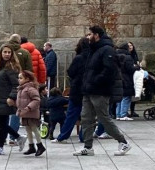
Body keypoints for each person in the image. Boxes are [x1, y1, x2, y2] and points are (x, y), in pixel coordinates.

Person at [74, 26, 131, 157]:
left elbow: (109, 70)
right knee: (86, 118)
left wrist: (95, 80)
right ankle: (88, 147)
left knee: (103, 118)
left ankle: (123, 142)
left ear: (97, 35)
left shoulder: (106, 50)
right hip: (89, 90)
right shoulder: (93, 50)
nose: (88, 37)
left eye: (90, 34)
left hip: (100, 90)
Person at [0, 43, 26, 155]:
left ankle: (0, 146)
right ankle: (18, 137)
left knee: (2, 123)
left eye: (9, 52)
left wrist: (12, 97)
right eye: (5, 52)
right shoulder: (0, 66)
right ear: (1, 53)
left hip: (5, 99)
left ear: (12, 54)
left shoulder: (12, 67)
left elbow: (16, 84)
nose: (7, 54)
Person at [54, 38, 89, 143]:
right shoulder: (93, 56)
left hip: (77, 89)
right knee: (87, 115)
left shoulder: (79, 58)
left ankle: (63, 136)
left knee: (71, 114)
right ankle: (84, 136)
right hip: (88, 89)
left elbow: (71, 71)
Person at [6, 35, 32, 145]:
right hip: (19, 84)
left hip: (5, 83)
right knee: (16, 110)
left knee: (4, 111)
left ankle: (5, 135)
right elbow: (29, 70)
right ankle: (12, 136)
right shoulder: (25, 53)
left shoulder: (5, 51)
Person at [16, 70, 44, 157]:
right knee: (28, 130)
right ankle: (31, 146)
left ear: (27, 79)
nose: (19, 80)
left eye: (21, 78)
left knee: (34, 129)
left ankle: (40, 146)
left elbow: (36, 100)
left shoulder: (30, 89)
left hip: (31, 112)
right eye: (19, 78)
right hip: (25, 113)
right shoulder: (21, 89)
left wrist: (28, 107)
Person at [116, 44, 137, 121]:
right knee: (126, 97)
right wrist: (137, 67)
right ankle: (123, 114)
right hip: (126, 79)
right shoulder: (128, 57)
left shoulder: (116, 55)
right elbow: (130, 69)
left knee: (119, 98)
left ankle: (118, 114)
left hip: (118, 78)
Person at [126, 42, 141, 117]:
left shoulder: (134, 55)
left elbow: (137, 64)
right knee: (127, 95)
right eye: (128, 46)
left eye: (131, 45)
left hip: (135, 75)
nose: (130, 47)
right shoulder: (126, 55)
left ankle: (132, 110)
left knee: (134, 94)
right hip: (129, 76)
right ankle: (125, 111)